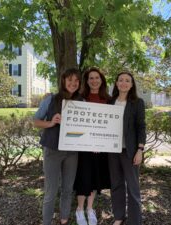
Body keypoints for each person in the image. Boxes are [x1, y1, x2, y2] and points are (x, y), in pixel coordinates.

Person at [34, 68, 82, 225]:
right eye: (70, 80)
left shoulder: (82, 102)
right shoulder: (50, 99)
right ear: (63, 81)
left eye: (76, 81)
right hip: (52, 150)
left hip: (72, 152)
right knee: (51, 191)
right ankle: (46, 222)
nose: (73, 83)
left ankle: (64, 220)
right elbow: (35, 121)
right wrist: (51, 122)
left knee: (68, 190)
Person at [73, 67, 111, 225]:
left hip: (101, 148)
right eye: (91, 78)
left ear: (101, 80)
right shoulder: (80, 98)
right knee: (83, 178)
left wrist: (101, 143)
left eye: (97, 78)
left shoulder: (109, 100)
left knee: (96, 178)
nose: (94, 81)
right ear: (86, 81)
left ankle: (90, 208)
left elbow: (111, 124)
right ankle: (79, 210)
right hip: (83, 148)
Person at [108, 71, 146, 225]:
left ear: (131, 85)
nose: (124, 83)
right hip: (112, 151)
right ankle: (119, 217)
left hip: (129, 151)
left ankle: (135, 221)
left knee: (133, 187)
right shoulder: (110, 102)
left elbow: (141, 127)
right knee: (116, 185)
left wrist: (140, 150)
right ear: (116, 83)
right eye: (121, 80)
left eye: (127, 81)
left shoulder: (137, 102)